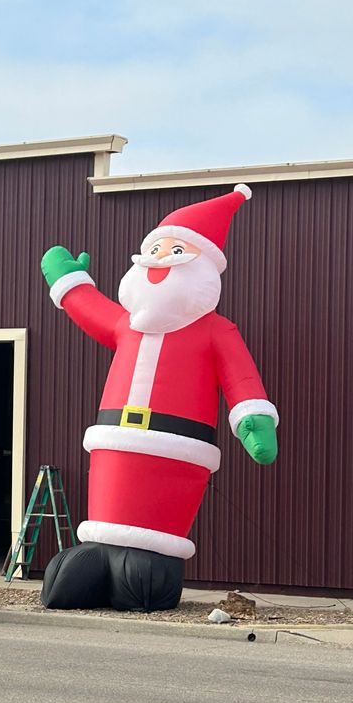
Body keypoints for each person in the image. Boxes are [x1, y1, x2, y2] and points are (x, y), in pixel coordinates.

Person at [39, 184, 277, 612]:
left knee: (148, 558)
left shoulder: (215, 331)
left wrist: (252, 420)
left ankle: (147, 572)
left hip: (178, 447)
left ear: (203, 267)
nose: (160, 259)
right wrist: (69, 280)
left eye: (176, 251)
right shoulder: (127, 324)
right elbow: (90, 308)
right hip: (114, 440)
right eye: (155, 249)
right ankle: (96, 558)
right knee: (107, 516)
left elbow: (241, 376)